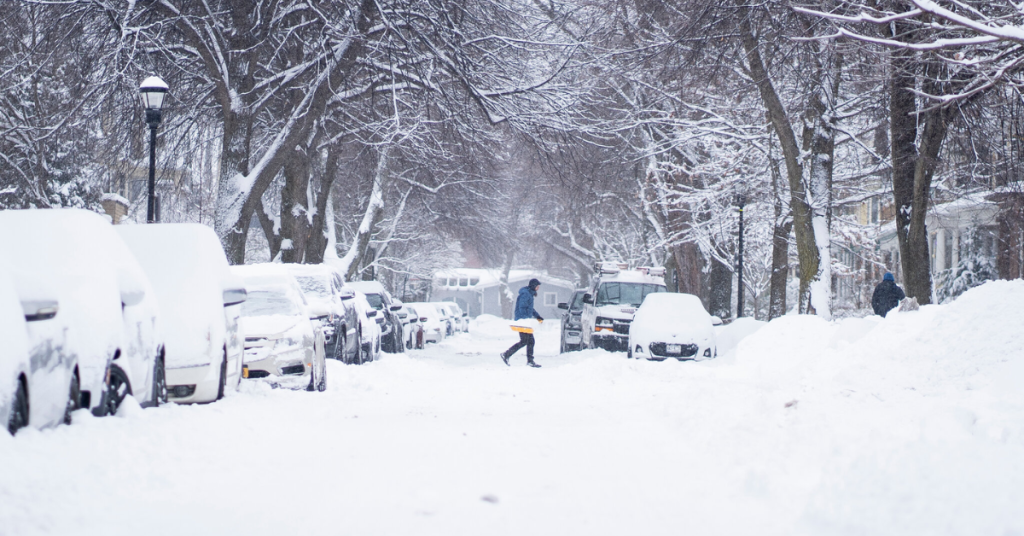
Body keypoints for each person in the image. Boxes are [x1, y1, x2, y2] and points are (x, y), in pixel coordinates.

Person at [501, 278, 544, 368]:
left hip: (524, 321)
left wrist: (537, 316)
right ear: (533, 286)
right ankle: (507, 355)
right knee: (527, 341)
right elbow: (522, 307)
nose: (538, 288)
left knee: (527, 341)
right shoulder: (526, 294)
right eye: (537, 286)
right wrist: (525, 320)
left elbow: (529, 309)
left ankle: (508, 355)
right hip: (522, 321)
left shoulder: (529, 294)